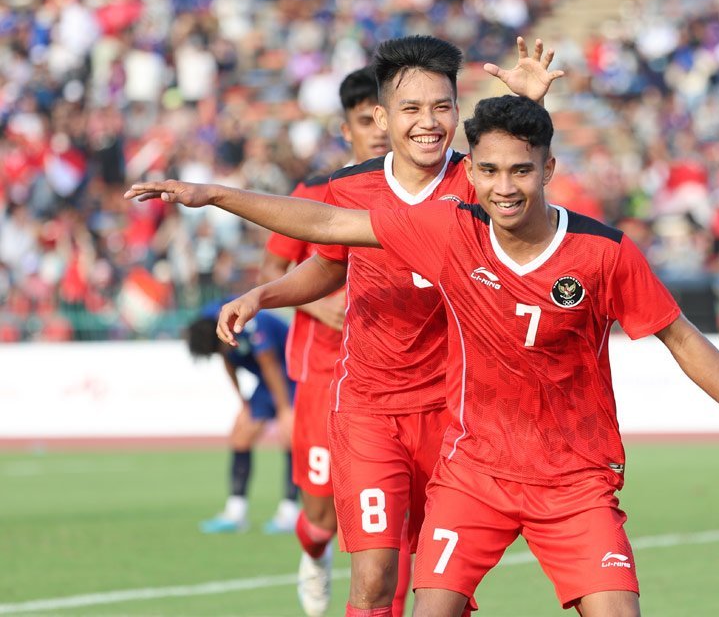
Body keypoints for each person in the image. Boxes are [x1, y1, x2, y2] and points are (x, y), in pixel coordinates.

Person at [128, 95, 719, 616]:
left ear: (550, 168)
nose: (504, 187)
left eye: (521, 170)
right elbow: (331, 225)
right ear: (473, 174)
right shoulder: (448, 230)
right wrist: (212, 194)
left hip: (574, 481)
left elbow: (680, 336)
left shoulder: (604, 253)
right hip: (475, 476)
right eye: (487, 170)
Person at [187, 35, 561, 617]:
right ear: (384, 116)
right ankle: (314, 558)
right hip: (369, 408)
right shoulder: (349, 187)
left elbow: (530, 200)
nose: (428, 122)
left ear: (458, 112)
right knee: (374, 577)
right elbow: (325, 265)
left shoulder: (478, 183)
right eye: (411, 109)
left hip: (457, 416)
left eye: (441, 107)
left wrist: (534, 109)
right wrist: (265, 294)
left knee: (444, 589)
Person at [259, 66, 390, 617]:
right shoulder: (315, 193)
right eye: (366, 120)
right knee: (320, 517)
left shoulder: (421, 191)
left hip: (394, 377)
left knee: (398, 521)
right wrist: (321, 301)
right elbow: (272, 266)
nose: (380, 130)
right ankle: (314, 555)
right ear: (346, 129)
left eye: (386, 116)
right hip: (325, 372)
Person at [186, 304, 299, 535]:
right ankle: (236, 513)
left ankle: (290, 512)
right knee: (240, 436)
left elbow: (271, 366)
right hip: (268, 380)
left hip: (291, 372)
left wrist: (285, 410)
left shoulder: (252, 325)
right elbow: (226, 360)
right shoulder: (212, 323)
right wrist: (243, 403)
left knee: (290, 437)